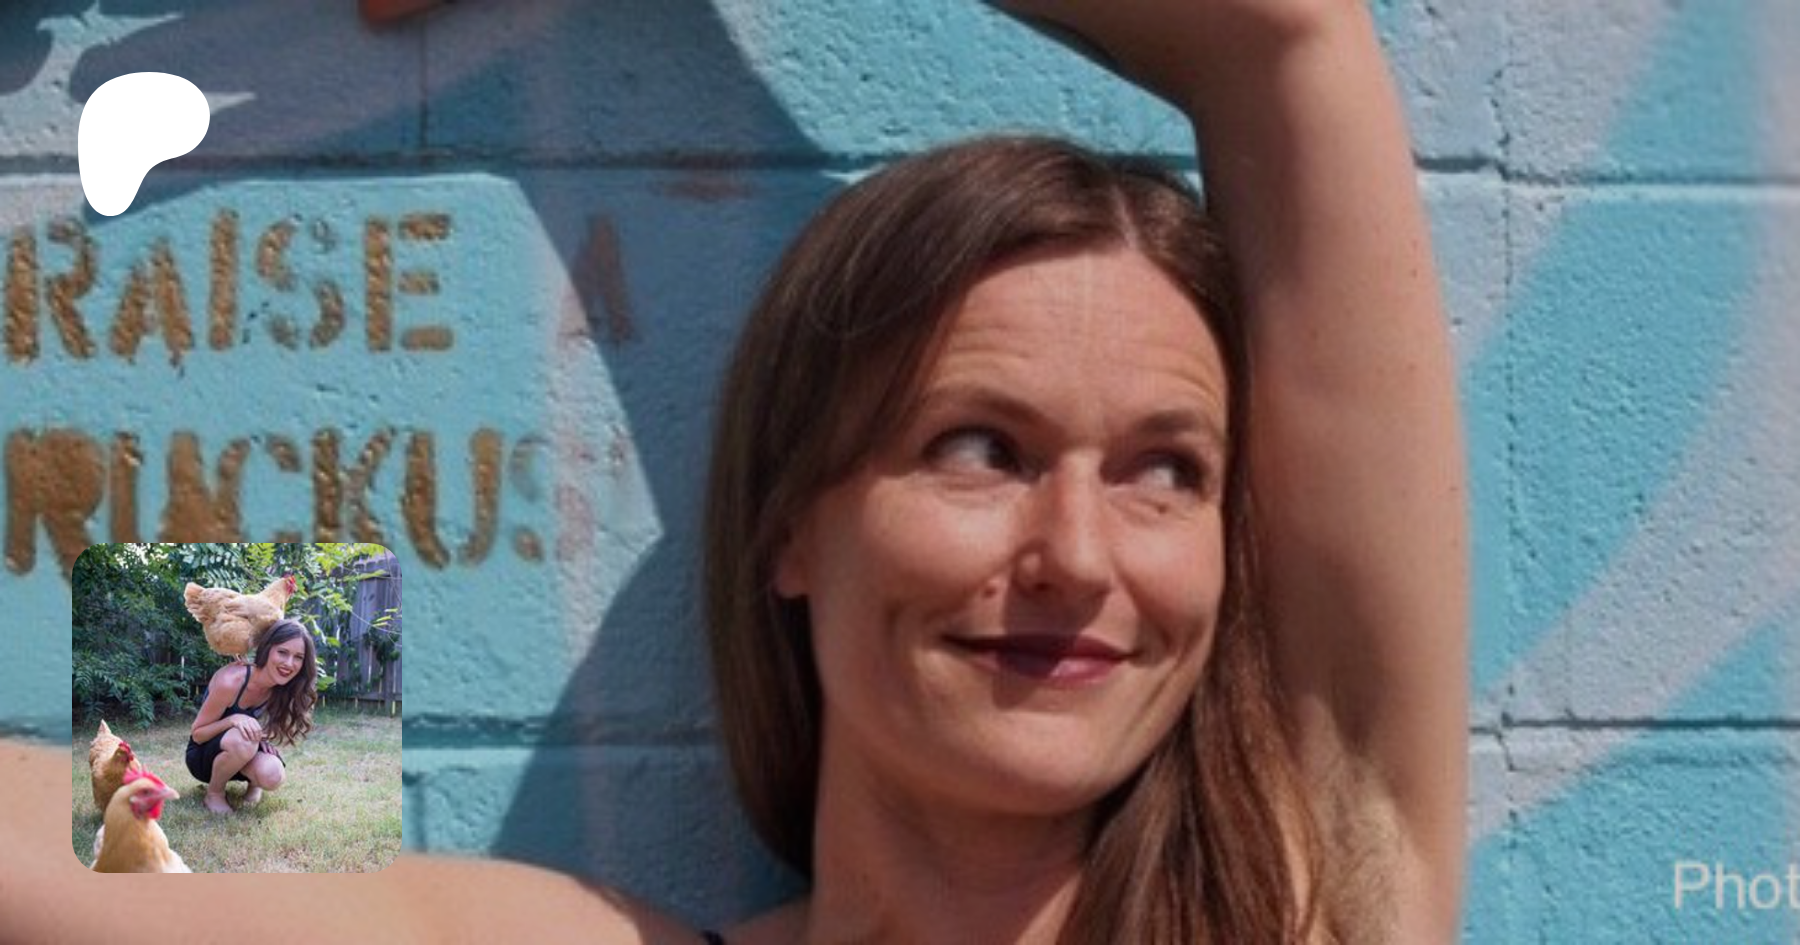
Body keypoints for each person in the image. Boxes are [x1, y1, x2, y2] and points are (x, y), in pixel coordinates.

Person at [0, 2, 1463, 941]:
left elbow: (1290, 39)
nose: (1079, 555)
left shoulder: (1318, 905)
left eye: (1166, 472)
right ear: (790, 529)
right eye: (978, 450)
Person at [185, 618, 318, 814]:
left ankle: (254, 785)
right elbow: (197, 735)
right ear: (267, 649)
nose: (289, 663)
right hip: (203, 756)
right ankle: (214, 793)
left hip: (242, 752)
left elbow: (266, 732)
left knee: (273, 775)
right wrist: (233, 720)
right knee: (242, 738)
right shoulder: (232, 681)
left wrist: (260, 735)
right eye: (282, 652)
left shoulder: (283, 688)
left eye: (298, 657)